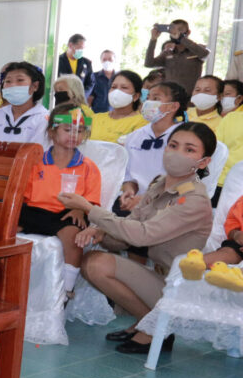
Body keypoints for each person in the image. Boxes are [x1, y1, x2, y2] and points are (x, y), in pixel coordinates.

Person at [60, 122, 216, 354]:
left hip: (178, 285)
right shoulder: (160, 184)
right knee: (94, 262)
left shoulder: (194, 200)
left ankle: (154, 330)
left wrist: (89, 209)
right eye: (173, 145)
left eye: (189, 149)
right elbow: (127, 234)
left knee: (97, 264)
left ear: (203, 162)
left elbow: (142, 235)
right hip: (159, 277)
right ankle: (147, 323)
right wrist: (101, 232)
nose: (177, 153)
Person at [20, 105, 102, 296]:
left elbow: (91, 200)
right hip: (34, 211)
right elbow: (23, 195)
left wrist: (80, 210)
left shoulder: (88, 167)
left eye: (79, 131)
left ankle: (67, 289)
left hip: (66, 214)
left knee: (74, 238)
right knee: (7, 227)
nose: (74, 135)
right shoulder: (36, 162)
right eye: (68, 129)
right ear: (52, 132)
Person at [117, 81, 188, 215]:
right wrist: (129, 191)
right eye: (148, 98)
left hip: (168, 204)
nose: (148, 103)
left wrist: (146, 199)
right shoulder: (134, 136)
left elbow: (184, 181)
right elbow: (129, 175)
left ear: (173, 106)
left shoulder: (185, 138)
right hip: (135, 202)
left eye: (156, 98)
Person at [0, 62, 49, 146]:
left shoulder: (43, 119)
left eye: (20, 80)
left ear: (35, 86)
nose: (12, 85)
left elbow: (39, 150)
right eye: (8, 81)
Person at [145, 20, 209, 94]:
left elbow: (204, 54)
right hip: (171, 96)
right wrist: (153, 40)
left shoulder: (196, 49)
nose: (175, 32)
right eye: (173, 29)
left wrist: (181, 38)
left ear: (188, 32)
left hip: (191, 96)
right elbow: (149, 63)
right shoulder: (168, 52)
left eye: (180, 29)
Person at [89, 70, 147, 143]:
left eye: (124, 87)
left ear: (136, 96)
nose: (116, 91)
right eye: (113, 87)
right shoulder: (95, 118)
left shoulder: (142, 122)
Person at [214, 79, 243, 203]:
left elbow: (216, 150)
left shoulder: (231, 117)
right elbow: (216, 149)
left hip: (224, 181)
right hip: (225, 182)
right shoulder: (231, 117)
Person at [57, 34, 94, 99]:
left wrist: (82, 96)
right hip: (61, 100)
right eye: (80, 48)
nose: (82, 51)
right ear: (70, 45)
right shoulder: (58, 61)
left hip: (79, 100)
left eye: (83, 48)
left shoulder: (87, 63)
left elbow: (90, 83)